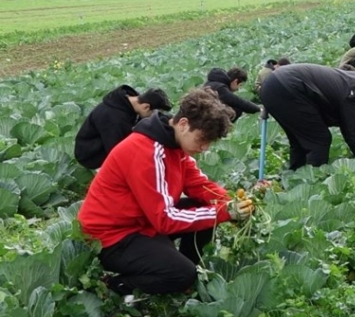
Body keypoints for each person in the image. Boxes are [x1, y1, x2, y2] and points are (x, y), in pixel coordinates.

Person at [77, 88, 250, 297]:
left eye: (209, 143)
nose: (204, 148)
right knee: (181, 274)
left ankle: (184, 267)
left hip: (141, 222)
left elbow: (198, 185)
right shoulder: (147, 151)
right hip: (111, 237)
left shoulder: (174, 144)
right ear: (184, 124)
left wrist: (233, 203)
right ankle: (116, 286)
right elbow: (165, 219)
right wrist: (224, 212)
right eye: (201, 139)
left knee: (202, 207)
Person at [260, 63, 355, 177]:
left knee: (300, 140)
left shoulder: (350, 83)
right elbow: (354, 136)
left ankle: (295, 177)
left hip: (273, 84)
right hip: (288, 88)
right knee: (320, 140)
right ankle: (312, 182)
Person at [74, 85, 172, 170]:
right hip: (92, 156)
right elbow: (118, 153)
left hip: (108, 144)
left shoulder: (129, 101)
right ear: (146, 107)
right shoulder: (114, 118)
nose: (153, 117)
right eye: (153, 114)